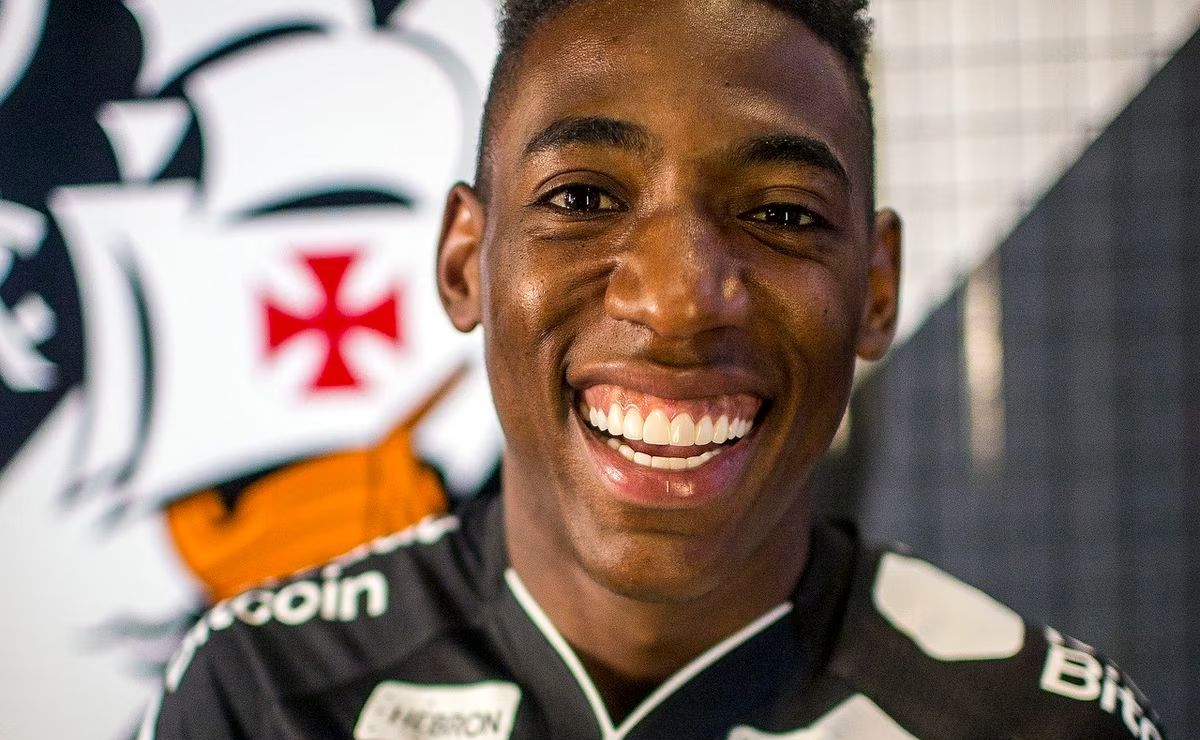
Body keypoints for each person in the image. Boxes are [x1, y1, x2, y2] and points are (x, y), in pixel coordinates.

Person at [139, 1, 1165, 738]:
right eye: (583, 198)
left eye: (782, 213)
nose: (678, 301)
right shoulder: (268, 692)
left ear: (876, 288)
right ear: (465, 263)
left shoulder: (1035, 720)